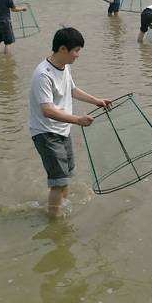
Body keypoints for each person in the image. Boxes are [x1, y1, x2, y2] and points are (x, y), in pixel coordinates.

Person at [29, 27, 112, 217]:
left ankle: (55, 210)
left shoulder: (64, 67)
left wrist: (97, 100)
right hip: (46, 133)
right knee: (59, 182)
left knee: (64, 179)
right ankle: (54, 222)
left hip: (62, 130)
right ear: (63, 49)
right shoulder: (43, 74)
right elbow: (47, 110)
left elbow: (72, 90)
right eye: (76, 51)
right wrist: (78, 120)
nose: (78, 55)